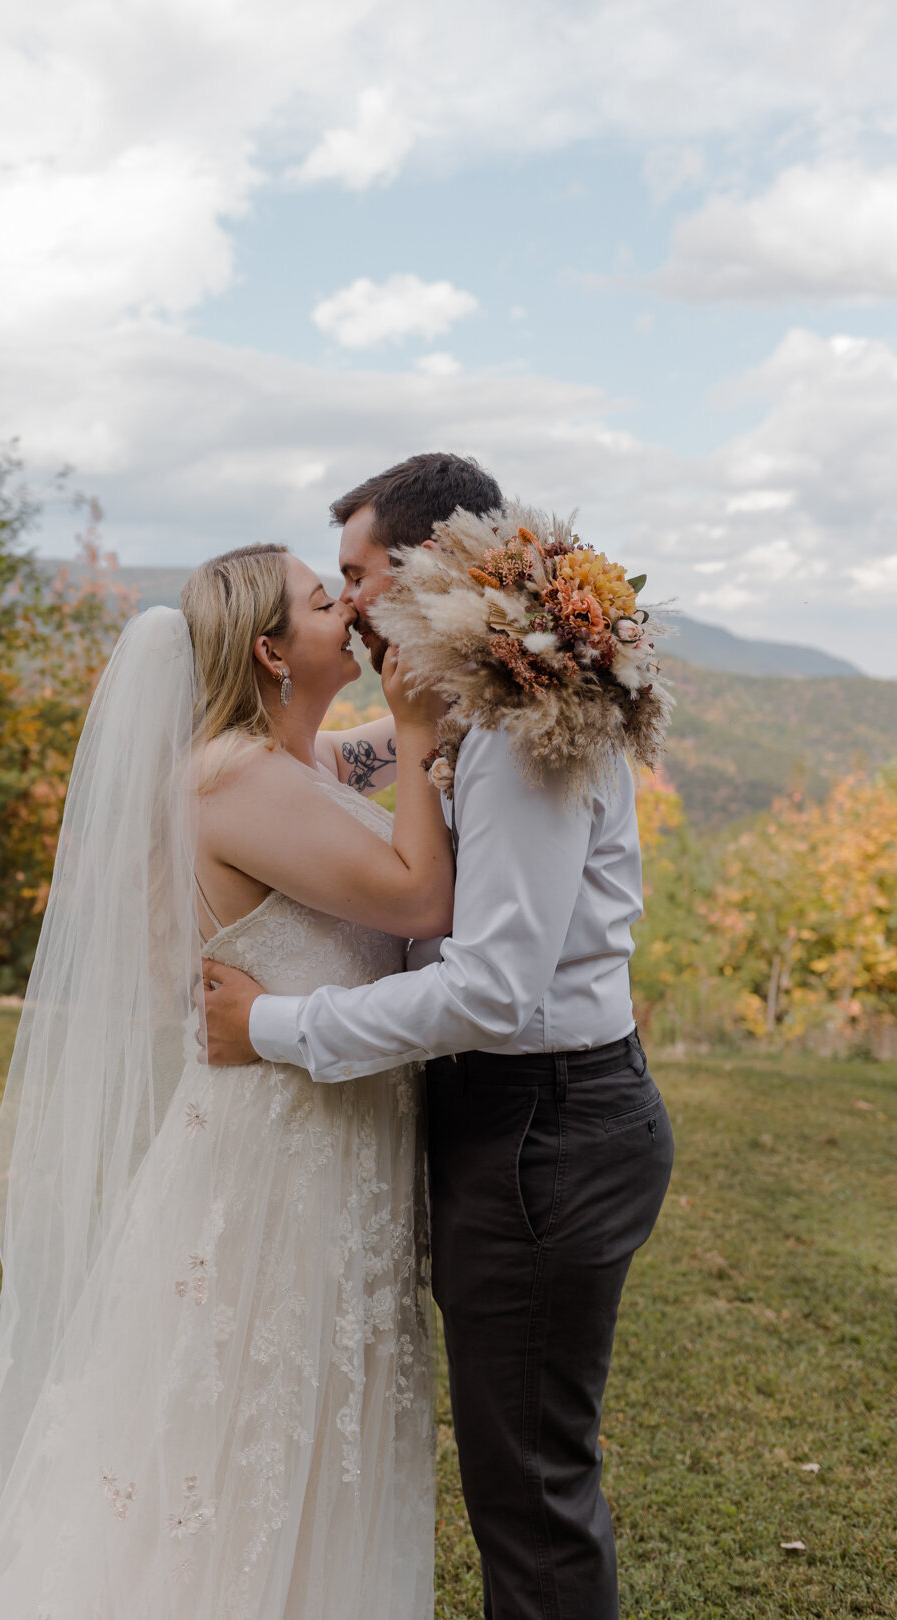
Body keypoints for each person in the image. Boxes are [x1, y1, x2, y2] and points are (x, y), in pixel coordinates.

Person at [0, 543, 452, 1620]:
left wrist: (477, 678)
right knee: (235, 1452)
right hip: (275, 1176)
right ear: (269, 650)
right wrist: (426, 735)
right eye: (320, 598)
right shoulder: (233, 782)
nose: (345, 605)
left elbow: (360, 758)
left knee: (305, 1453)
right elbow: (415, 898)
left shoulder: (293, 762)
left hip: (328, 1148)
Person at [203, 460, 676, 1620]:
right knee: (520, 1481)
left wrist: (272, 1023)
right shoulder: (464, 712)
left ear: (423, 569)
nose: (351, 604)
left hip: (542, 1126)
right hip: (515, 1119)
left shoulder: (516, 736)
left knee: (530, 1497)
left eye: (356, 578)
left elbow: (492, 992)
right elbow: (308, 760)